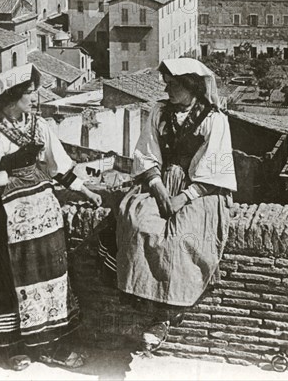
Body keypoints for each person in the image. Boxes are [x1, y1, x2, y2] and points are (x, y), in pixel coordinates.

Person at [0, 64, 101, 371]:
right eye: (29, 93)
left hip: (42, 215)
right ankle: (12, 346)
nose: (35, 97)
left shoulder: (38, 125)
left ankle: (50, 345)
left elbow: (59, 166)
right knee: (9, 279)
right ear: (12, 97)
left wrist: (84, 192)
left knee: (47, 278)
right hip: (1, 217)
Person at [99, 58, 237, 351]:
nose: (167, 88)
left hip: (199, 190)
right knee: (137, 224)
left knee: (179, 240)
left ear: (191, 86)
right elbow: (146, 154)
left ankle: (165, 316)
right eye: (167, 83)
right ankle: (143, 305)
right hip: (159, 183)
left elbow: (214, 167)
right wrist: (160, 191)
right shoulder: (159, 112)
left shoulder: (214, 119)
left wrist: (183, 197)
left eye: (174, 84)